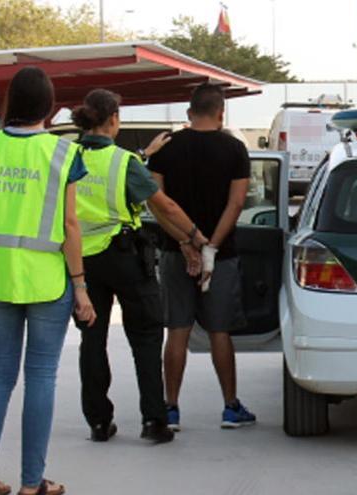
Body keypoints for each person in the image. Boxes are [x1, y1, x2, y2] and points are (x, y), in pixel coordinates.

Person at [0, 67, 97, 495]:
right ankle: (30, 484)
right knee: (40, 378)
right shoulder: (61, 153)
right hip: (47, 281)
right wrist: (80, 287)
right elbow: (71, 226)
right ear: (49, 105)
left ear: (10, 102)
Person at [70, 89, 210, 444]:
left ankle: (99, 422)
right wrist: (196, 237)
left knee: (92, 340)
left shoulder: (66, 156)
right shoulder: (121, 162)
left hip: (80, 262)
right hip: (124, 257)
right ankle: (153, 421)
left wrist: (147, 153)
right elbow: (165, 207)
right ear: (114, 119)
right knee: (146, 338)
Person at [148, 83, 255, 430]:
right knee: (219, 331)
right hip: (220, 256)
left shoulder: (165, 148)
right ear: (221, 113)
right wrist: (210, 246)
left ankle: (171, 409)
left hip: (173, 251)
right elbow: (236, 203)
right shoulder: (235, 149)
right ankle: (230, 407)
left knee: (176, 330)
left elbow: (157, 201)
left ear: (189, 112)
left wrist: (185, 241)